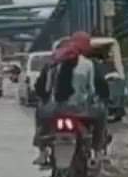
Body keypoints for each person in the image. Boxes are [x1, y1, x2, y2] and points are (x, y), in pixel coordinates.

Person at [32, 32, 110, 163]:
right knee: (101, 115)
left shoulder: (52, 63)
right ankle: (97, 151)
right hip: (81, 110)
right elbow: (92, 89)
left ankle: (42, 151)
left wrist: (44, 100)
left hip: (55, 110)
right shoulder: (89, 64)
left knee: (40, 115)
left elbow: (43, 88)